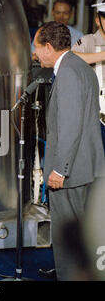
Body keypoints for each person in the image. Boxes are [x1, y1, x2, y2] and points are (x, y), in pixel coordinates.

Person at [33, 21, 105, 281]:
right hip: (86, 166)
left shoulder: (68, 73)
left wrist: (59, 170)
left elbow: (70, 126)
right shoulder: (79, 66)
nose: (36, 54)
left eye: (37, 48)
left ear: (49, 47)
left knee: (66, 236)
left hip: (71, 171)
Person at [72, 2, 105, 151]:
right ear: (98, 21)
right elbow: (71, 58)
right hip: (97, 112)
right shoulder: (88, 41)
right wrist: (102, 55)